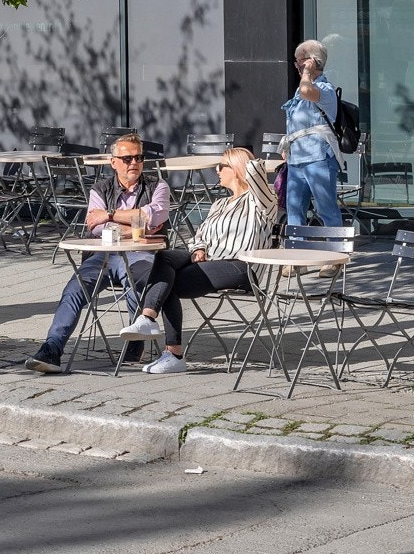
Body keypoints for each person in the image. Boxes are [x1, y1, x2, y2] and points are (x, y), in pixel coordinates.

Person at [119, 147, 278, 374]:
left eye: (222, 166)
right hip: (208, 259)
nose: (217, 170)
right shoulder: (219, 204)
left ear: (237, 169)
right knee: (164, 257)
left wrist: (244, 159)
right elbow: (199, 236)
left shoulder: (260, 203)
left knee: (169, 283)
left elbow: (257, 173)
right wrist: (199, 248)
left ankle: (173, 354)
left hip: (240, 265)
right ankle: (149, 319)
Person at [24, 132, 169, 375]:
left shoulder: (157, 186)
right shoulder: (99, 189)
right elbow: (96, 226)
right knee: (74, 289)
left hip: (139, 253)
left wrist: (111, 215)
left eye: (139, 158)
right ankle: (52, 348)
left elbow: (153, 215)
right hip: (103, 256)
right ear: (113, 163)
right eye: (127, 159)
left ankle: (135, 343)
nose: (134, 163)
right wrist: (134, 223)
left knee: (136, 282)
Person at [280, 38, 342, 233]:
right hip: (296, 160)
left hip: (318, 158)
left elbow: (308, 90)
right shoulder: (300, 92)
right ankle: (297, 256)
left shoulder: (325, 89)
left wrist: (307, 72)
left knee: (326, 209)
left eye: (301, 61)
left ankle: (335, 256)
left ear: (313, 62)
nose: (297, 66)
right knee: (294, 210)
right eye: (297, 62)